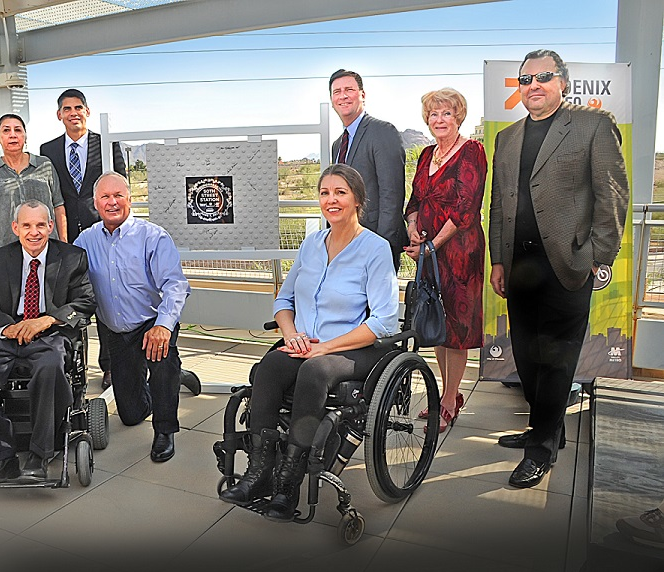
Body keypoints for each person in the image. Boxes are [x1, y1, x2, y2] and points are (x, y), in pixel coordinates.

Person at [219, 164, 399, 521]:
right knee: (271, 365)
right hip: (308, 344)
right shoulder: (312, 244)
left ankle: (288, 481)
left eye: (340, 192)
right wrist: (292, 335)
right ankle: (259, 472)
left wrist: (325, 348)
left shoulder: (375, 249)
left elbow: (384, 321)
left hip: (354, 349)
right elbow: (283, 301)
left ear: (358, 200)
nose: (331, 200)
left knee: (314, 372)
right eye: (324, 193)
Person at [489, 50, 629, 488]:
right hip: (520, 268)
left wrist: (596, 258)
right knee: (528, 358)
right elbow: (499, 204)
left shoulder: (592, 126)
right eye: (525, 78)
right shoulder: (507, 138)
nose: (533, 84)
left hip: (568, 267)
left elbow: (612, 198)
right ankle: (546, 428)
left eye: (543, 76)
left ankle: (542, 449)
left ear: (563, 82)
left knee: (557, 359)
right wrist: (497, 259)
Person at [0, 200, 95, 484]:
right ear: (15, 227)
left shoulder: (72, 257)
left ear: (50, 227)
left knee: (50, 366)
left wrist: (45, 321)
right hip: (10, 332)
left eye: (41, 225)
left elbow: (85, 301)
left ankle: (40, 454)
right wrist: (10, 328)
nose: (34, 232)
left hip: (49, 333)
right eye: (27, 225)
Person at [74, 172, 190, 464]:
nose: (112, 202)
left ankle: (165, 429)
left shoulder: (153, 237)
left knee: (162, 363)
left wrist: (163, 325)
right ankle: (174, 380)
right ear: (95, 203)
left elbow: (176, 286)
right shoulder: (85, 240)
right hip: (116, 331)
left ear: (129, 199)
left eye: (118, 196)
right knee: (130, 414)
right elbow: (65, 277)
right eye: (105, 197)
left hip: (152, 324)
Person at [403, 88, 487, 434]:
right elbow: (415, 198)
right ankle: (446, 392)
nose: (439, 119)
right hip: (428, 253)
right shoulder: (425, 154)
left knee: (457, 329)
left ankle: (450, 401)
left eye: (446, 114)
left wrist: (432, 245)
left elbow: (467, 206)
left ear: (458, 117)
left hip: (460, 253)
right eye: (434, 114)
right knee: (437, 323)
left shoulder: (472, 151)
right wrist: (412, 228)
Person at [40, 88, 127, 390]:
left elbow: (120, 187)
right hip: (66, 236)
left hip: (102, 231)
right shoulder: (47, 150)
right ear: (59, 114)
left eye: (79, 107)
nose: (73, 113)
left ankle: (111, 367)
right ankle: (71, 366)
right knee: (69, 300)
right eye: (67, 108)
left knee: (105, 295)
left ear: (87, 112)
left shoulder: (106, 145)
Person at [329, 69, 408, 270]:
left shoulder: (382, 131)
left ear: (362, 95)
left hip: (375, 245)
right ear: (332, 99)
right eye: (336, 91)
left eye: (349, 89)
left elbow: (392, 194)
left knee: (375, 302)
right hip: (345, 245)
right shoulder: (338, 145)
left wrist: (382, 248)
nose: (343, 96)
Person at [0, 113, 68, 255]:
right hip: (4, 255)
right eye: (6, 130)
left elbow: (58, 206)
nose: (13, 135)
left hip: (47, 251)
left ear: (25, 136)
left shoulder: (44, 165)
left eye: (18, 130)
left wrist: (63, 245)